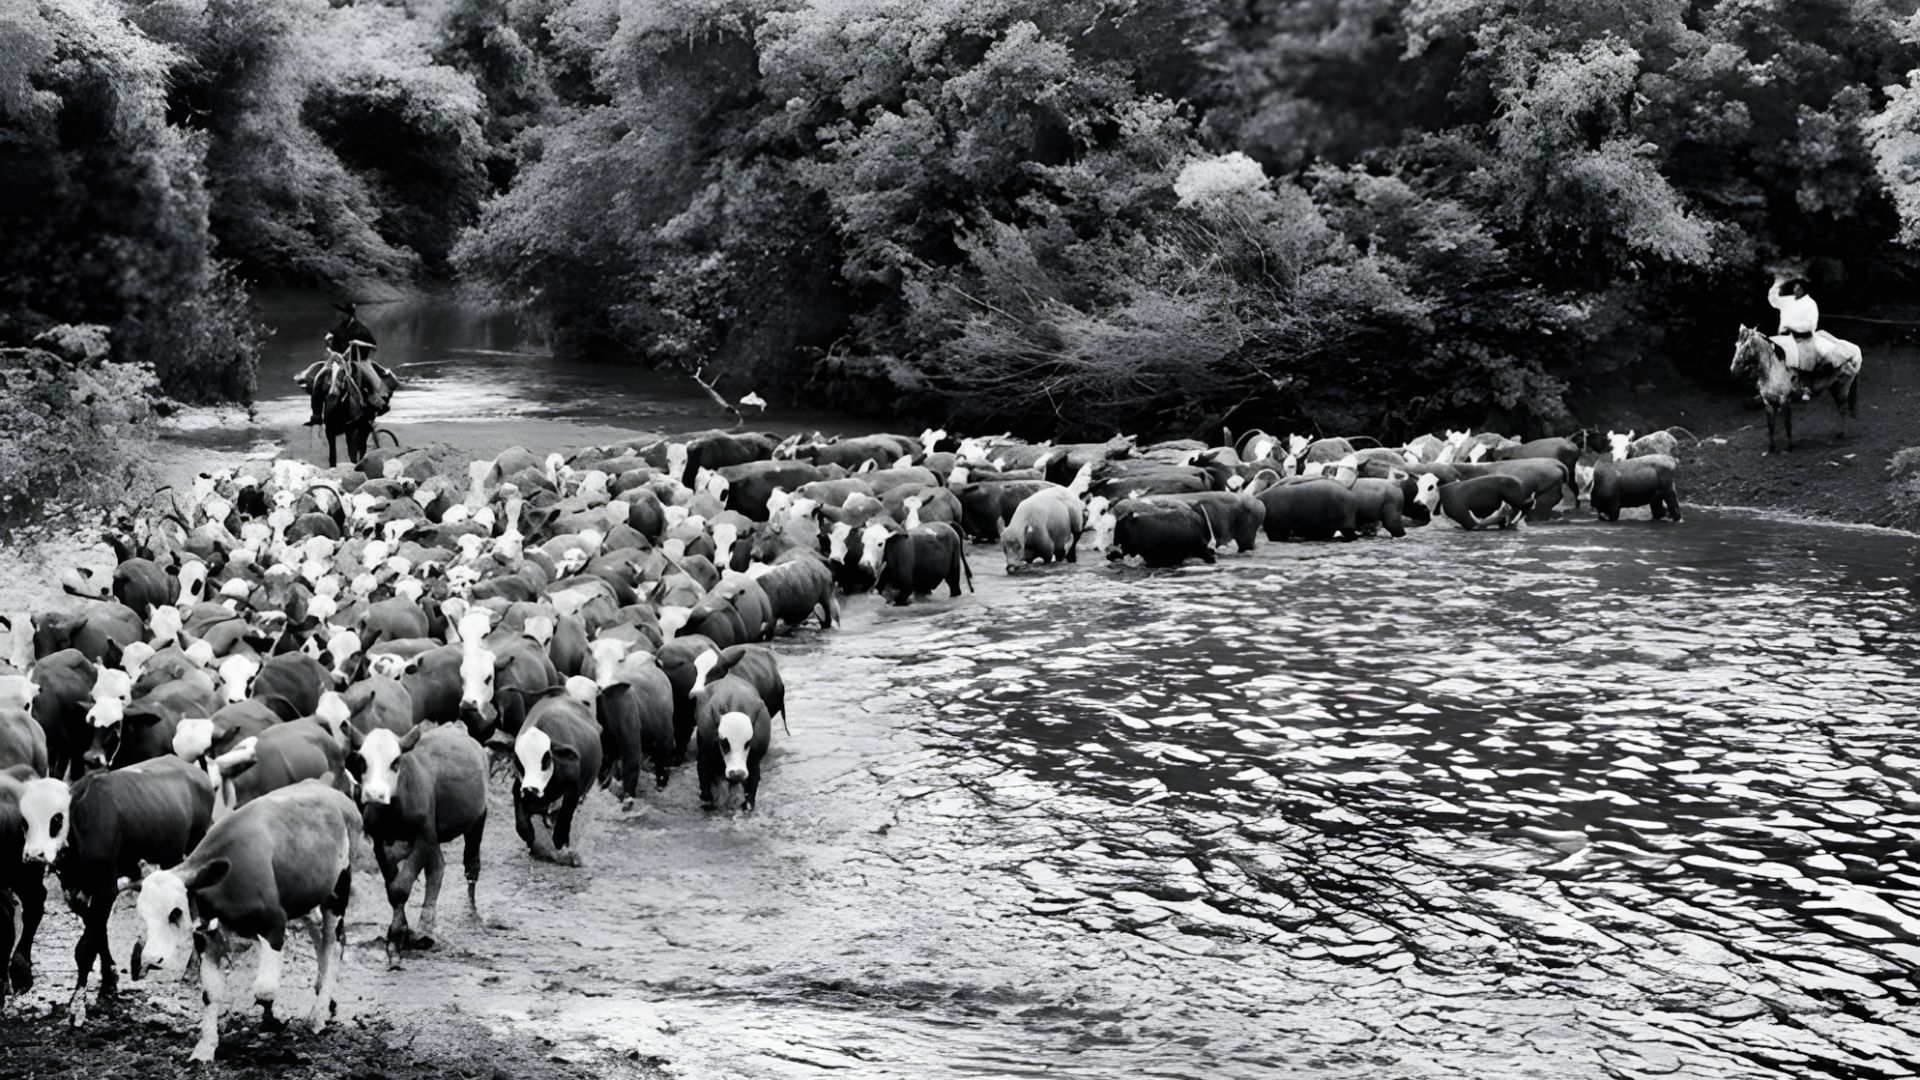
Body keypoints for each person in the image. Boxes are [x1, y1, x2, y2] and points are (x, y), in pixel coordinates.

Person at [299, 301, 397, 426]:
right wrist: (329, 345)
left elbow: (373, 346)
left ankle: (377, 405)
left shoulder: (360, 329)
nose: (339, 315)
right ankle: (317, 414)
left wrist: (358, 343)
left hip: (358, 361)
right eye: (339, 313)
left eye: (342, 313)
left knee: (372, 382)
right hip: (338, 361)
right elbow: (330, 344)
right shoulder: (338, 328)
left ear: (349, 314)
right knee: (319, 378)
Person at [1767, 276, 1822, 372]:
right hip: (1783, 336)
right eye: (1795, 287)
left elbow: (1811, 325)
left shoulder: (1810, 304)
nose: (1796, 290)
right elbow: (1774, 300)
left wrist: (1792, 327)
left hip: (1801, 339)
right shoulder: (1789, 300)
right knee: (1769, 349)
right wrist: (1778, 284)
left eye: (1799, 288)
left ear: (1804, 290)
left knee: (1795, 366)